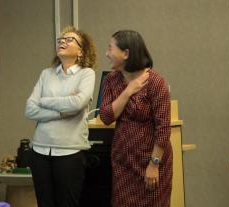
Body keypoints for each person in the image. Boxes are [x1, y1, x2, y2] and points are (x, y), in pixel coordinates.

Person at [24, 26, 97, 207]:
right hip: (40, 151)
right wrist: (62, 110)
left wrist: (45, 100)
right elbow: (30, 109)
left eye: (69, 39)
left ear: (81, 51)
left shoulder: (86, 74)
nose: (62, 42)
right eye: (60, 40)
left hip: (70, 152)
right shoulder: (46, 74)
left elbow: (78, 104)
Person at [99, 30, 172, 206]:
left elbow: (163, 128)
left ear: (126, 53)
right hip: (123, 161)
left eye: (110, 48)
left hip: (151, 161)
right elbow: (106, 116)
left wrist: (154, 164)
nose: (107, 53)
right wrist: (129, 90)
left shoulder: (155, 81)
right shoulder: (111, 80)